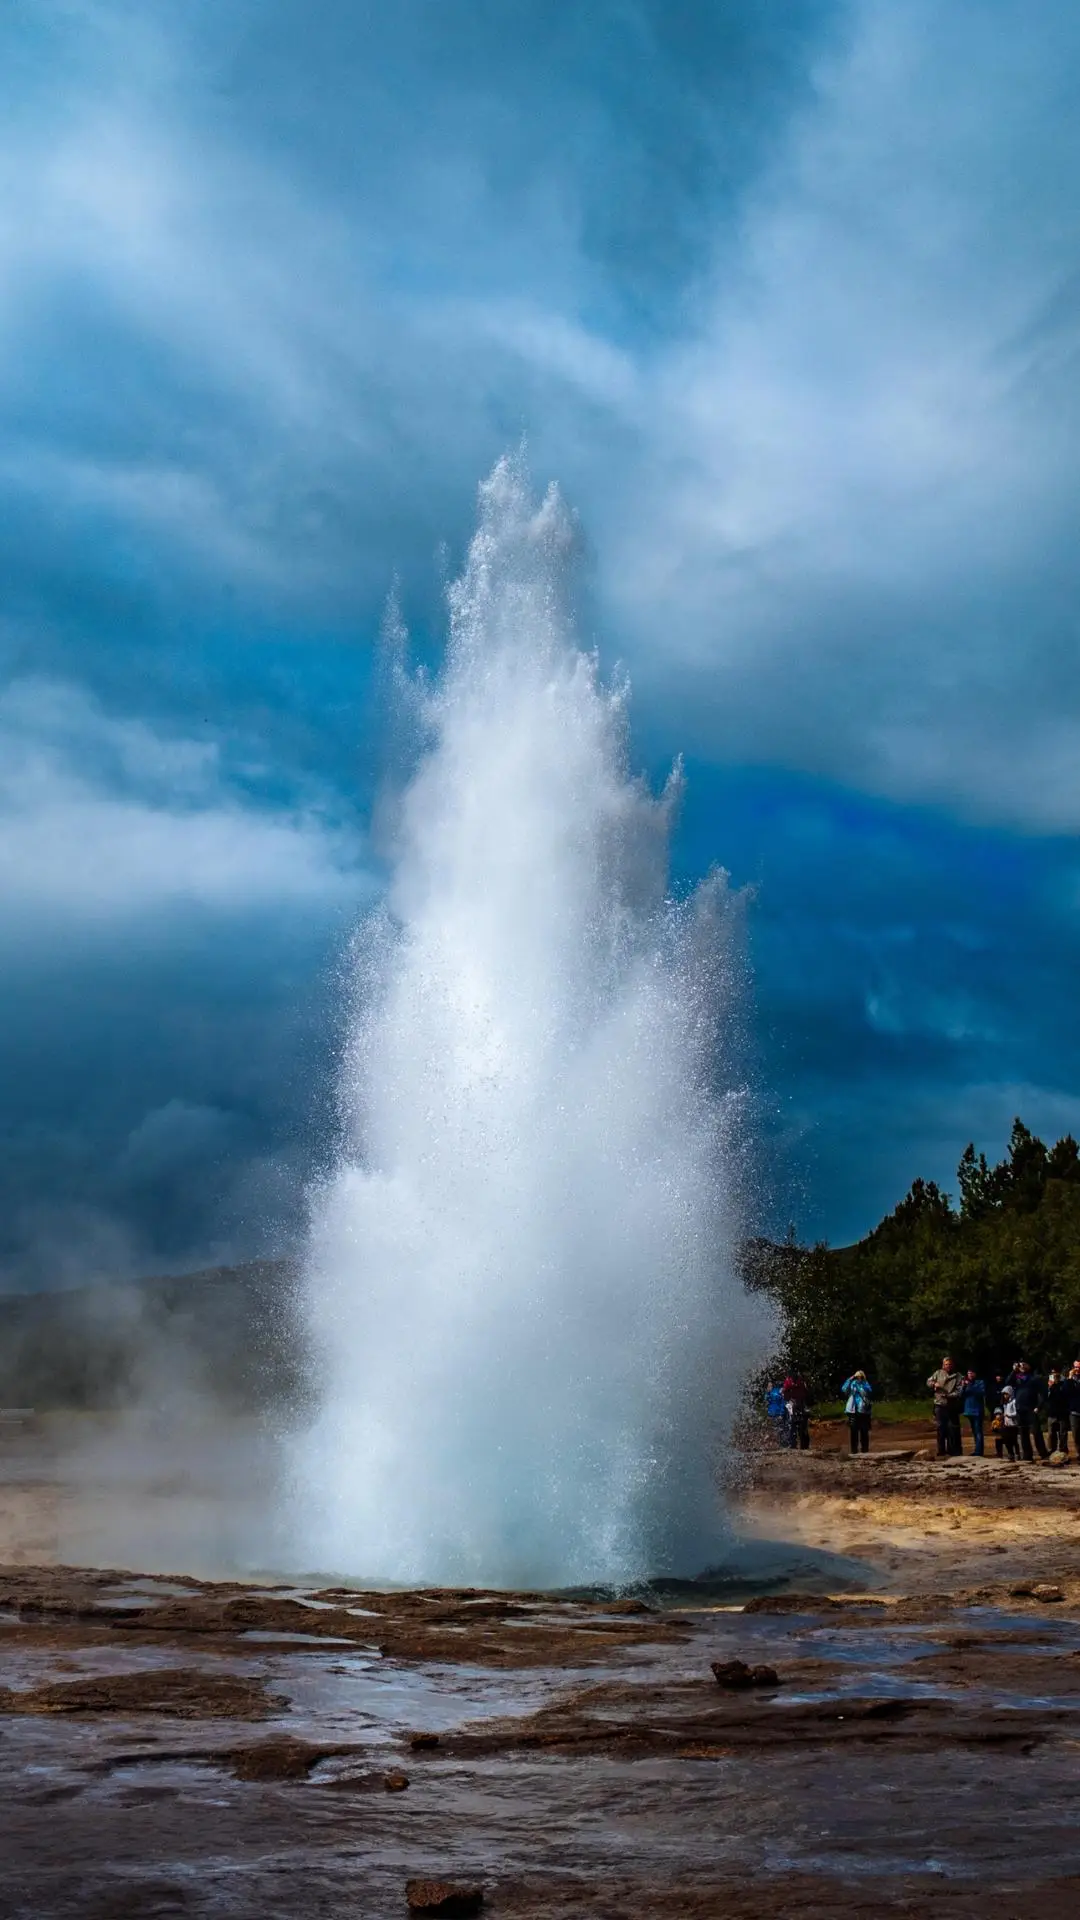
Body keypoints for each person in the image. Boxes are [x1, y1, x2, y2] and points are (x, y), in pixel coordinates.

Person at [1005, 1361, 1049, 1462]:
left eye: (1024, 1364)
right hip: (1020, 1408)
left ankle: (1043, 1453)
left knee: (1036, 1431)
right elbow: (1007, 1383)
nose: (1022, 1366)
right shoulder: (1017, 1378)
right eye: (1020, 1365)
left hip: (1031, 1408)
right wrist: (1013, 1371)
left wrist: (1038, 1406)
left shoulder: (1034, 1378)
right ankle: (1027, 1455)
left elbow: (1042, 1394)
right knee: (1023, 1433)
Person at [926, 1355, 964, 1457]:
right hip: (939, 1404)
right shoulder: (938, 1373)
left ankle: (954, 1451)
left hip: (952, 1405)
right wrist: (934, 1384)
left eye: (950, 1364)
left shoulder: (958, 1376)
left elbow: (960, 1391)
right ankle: (941, 1450)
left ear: (953, 1365)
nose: (948, 1366)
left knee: (953, 1429)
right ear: (943, 1365)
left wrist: (949, 1396)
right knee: (940, 1428)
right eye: (946, 1364)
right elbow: (928, 1381)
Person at [841, 1370, 873, 1454]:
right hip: (853, 1411)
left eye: (860, 1377)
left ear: (863, 1377)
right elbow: (844, 1389)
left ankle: (865, 1450)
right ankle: (854, 1451)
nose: (859, 1378)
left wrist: (861, 1385)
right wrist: (850, 1379)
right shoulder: (852, 1383)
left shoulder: (865, 1384)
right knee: (854, 1432)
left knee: (864, 1432)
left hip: (864, 1411)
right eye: (857, 1377)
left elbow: (869, 1391)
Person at [782, 1371, 811, 1450]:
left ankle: (803, 1445)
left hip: (801, 1406)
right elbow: (786, 1396)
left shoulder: (801, 1383)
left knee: (801, 1427)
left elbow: (806, 1396)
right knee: (793, 1426)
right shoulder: (789, 1383)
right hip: (794, 1407)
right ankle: (794, 1445)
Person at [961, 1369, 986, 1457]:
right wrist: (963, 1387)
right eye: (968, 1373)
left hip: (978, 1410)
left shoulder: (980, 1382)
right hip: (969, 1411)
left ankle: (979, 1451)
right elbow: (961, 1395)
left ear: (975, 1374)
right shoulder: (966, 1383)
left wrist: (970, 1386)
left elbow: (981, 1392)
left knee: (978, 1431)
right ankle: (977, 1450)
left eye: (971, 1373)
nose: (970, 1375)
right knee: (974, 1431)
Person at [1046, 1369, 1070, 1457]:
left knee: (1062, 1433)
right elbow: (1045, 1397)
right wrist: (1049, 1387)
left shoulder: (1064, 1384)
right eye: (1053, 1374)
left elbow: (1066, 1396)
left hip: (1062, 1413)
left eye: (1057, 1375)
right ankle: (1052, 1450)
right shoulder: (1048, 1385)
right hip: (1051, 1413)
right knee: (1051, 1433)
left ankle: (1063, 1450)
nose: (1055, 1376)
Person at [1000, 1383, 1022, 1462]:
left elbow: (1016, 1412)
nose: (1005, 1396)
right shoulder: (1005, 1403)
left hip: (1013, 1424)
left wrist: (1009, 1415)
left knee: (1014, 1440)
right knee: (1006, 1440)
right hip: (1007, 1424)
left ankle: (1017, 1454)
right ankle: (1010, 1453)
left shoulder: (1014, 1401)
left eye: (1006, 1394)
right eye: (1004, 1394)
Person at [764, 1382, 788, 1447]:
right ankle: (769, 1445)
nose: (770, 1386)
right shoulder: (770, 1391)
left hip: (778, 1413)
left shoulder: (780, 1391)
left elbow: (783, 1403)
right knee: (770, 1429)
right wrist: (767, 1392)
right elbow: (766, 1400)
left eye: (771, 1385)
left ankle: (781, 1444)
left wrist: (781, 1413)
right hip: (770, 1413)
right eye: (769, 1385)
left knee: (779, 1429)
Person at [1066, 1361, 1080, 1461]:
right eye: (1075, 1367)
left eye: (1079, 1367)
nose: (1077, 1369)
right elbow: (1067, 1391)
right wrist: (1070, 1378)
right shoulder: (1070, 1380)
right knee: (1076, 1435)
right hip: (1074, 1411)